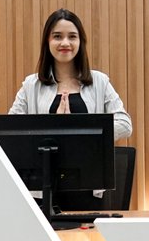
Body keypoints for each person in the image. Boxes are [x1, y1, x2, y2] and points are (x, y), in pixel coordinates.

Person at [8, 8, 133, 141]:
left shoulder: (100, 81)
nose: (65, 43)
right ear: (47, 41)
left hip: (88, 155)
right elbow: (9, 128)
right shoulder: (30, 85)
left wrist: (76, 127)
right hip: (44, 155)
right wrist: (55, 126)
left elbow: (125, 124)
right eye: (57, 36)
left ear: (80, 41)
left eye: (72, 36)